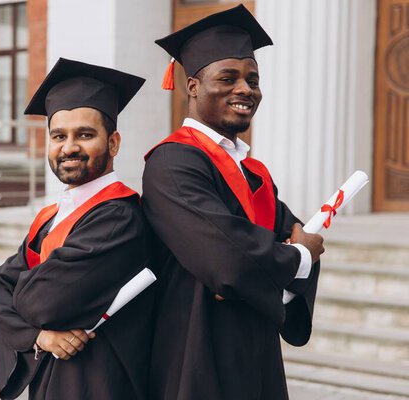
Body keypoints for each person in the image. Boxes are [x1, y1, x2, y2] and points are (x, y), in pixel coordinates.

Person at [142, 5, 324, 400]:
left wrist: (259, 275)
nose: (245, 89)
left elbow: (281, 240)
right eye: (228, 78)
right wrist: (298, 259)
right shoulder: (173, 162)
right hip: (195, 349)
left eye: (252, 79)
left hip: (256, 348)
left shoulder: (254, 171)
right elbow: (229, 258)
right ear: (192, 86)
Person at [0, 57, 154, 400]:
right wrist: (41, 337)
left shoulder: (119, 216)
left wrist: (26, 300)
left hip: (100, 382)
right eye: (58, 136)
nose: (69, 147)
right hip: (52, 375)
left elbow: (43, 301)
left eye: (85, 135)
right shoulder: (50, 217)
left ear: (114, 143)